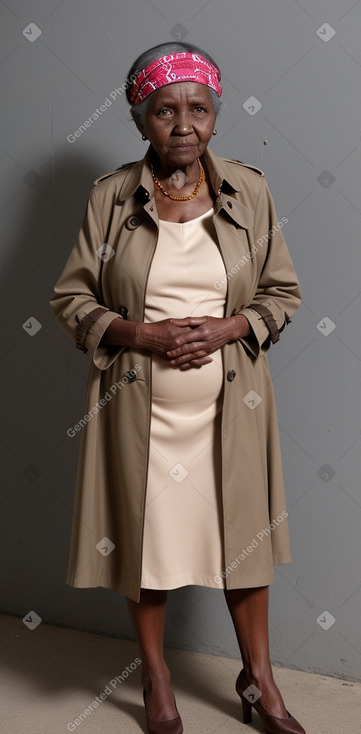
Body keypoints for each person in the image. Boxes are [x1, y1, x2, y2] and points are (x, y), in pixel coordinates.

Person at [50, 42, 305, 734]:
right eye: (164, 110)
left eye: (197, 108)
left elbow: (282, 294)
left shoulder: (249, 191)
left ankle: (260, 682)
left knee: (245, 545)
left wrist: (226, 330)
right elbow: (71, 300)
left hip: (231, 407)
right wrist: (145, 336)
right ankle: (157, 680)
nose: (182, 123)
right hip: (138, 408)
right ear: (141, 121)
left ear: (216, 117)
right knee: (150, 546)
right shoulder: (109, 197)